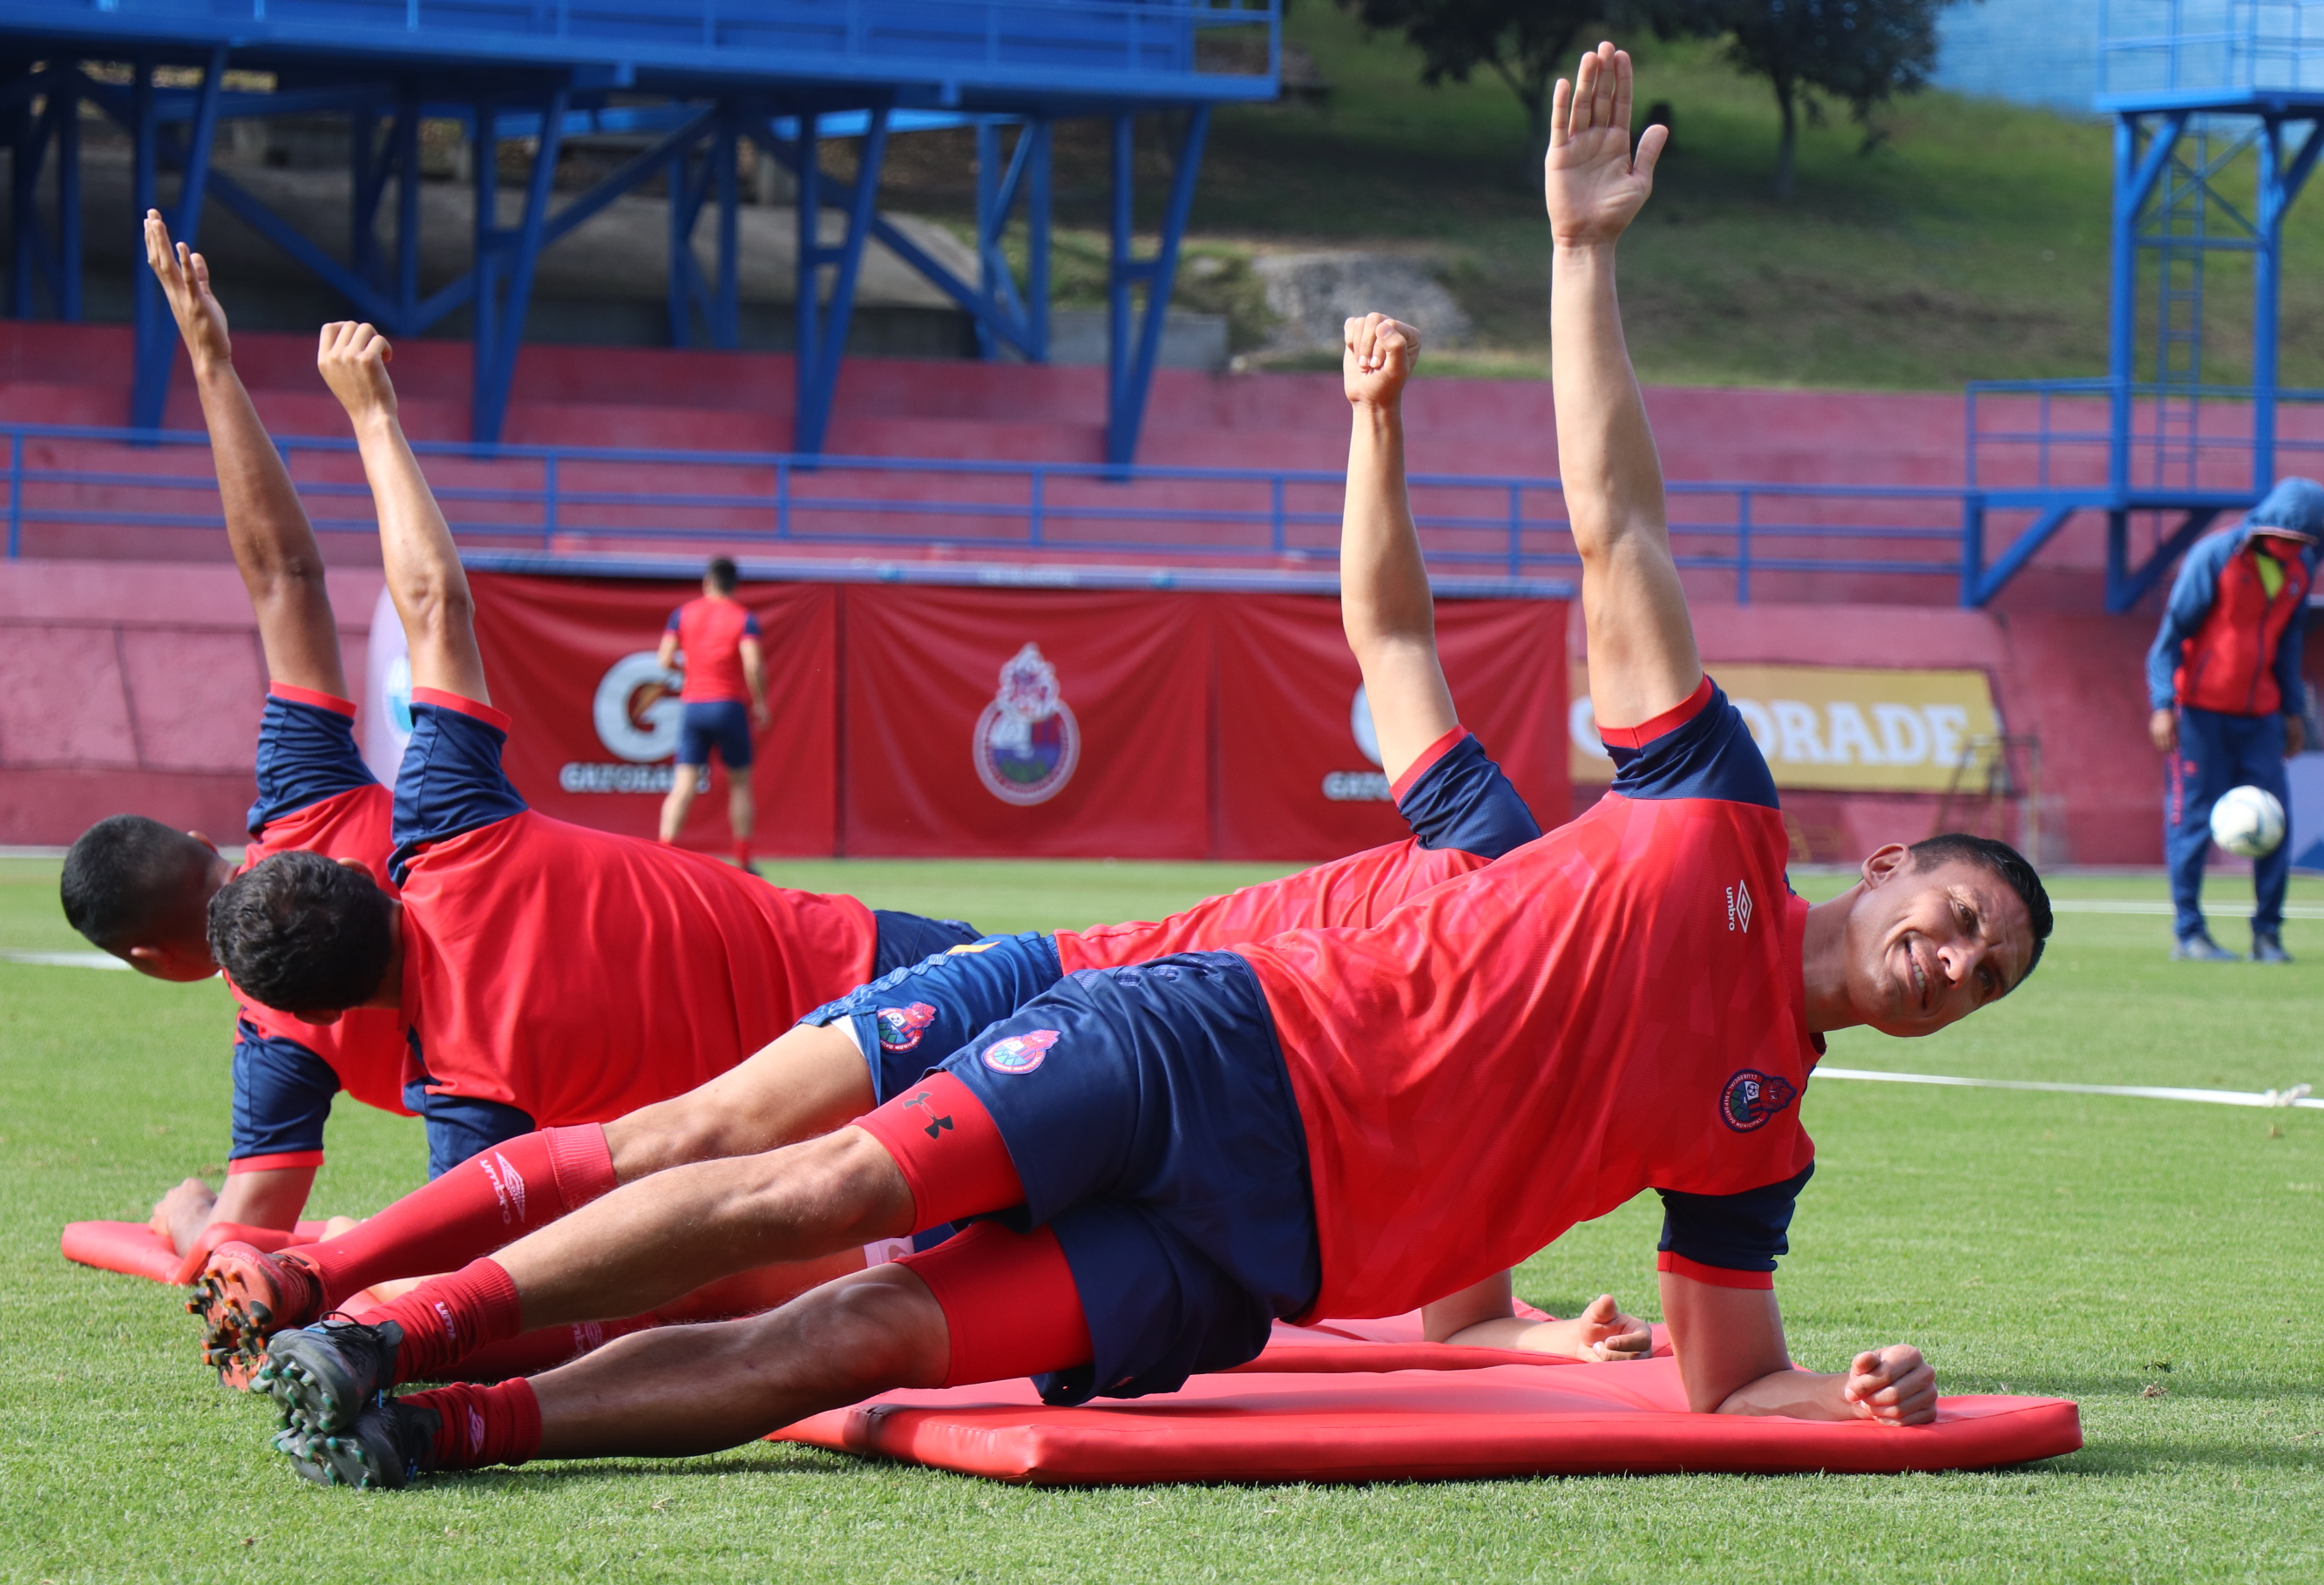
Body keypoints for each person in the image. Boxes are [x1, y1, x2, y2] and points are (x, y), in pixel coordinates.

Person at [248, 48, 2052, 1491]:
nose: (1958, 960)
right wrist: (1577, 264)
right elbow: (1597, 539)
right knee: (792, 1185)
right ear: (1889, 862)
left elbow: (1728, 1374)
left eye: (1988, 974)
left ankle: (439, 1421)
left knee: (850, 1326)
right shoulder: (1692, 807)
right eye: (1964, 913)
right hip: (1194, 1038)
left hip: (1254, 1253)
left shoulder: (1763, 1137)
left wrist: (1847, 1389)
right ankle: (398, 1326)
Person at [203, 311, 1643, 1383]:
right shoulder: (1494, 857)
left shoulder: (1499, 1045)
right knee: (774, 1207)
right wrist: (1376, 416)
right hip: (1032, 1003)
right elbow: (1389, 631)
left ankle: (391, 1340)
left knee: (766, 1214)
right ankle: (388, 1329)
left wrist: (1531, 1340)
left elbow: (1460, 1285)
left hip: (1095, 1073)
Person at [188, 319, 987, 1365]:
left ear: (329, 1013)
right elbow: (428, 598)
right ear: (361, 870)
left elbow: (492, 1283)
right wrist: (373, 414)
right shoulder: (450, 831)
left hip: (870, 1153)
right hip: (913, 968)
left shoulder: (470, 1098)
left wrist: (309, 1258)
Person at [53, 213, 413, 1301]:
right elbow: (285, 582)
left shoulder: (280, 1027)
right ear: (209, 840)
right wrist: (209, 352)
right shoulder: (311, 799)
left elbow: (240, 1245)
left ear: (158, 964)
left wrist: (183, 1211)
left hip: (635, 1159)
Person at [2146, 477, 2324, 964]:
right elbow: (2170, 636)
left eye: (2299, 544)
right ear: (2265, 526)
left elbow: (2289, 645)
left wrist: (2294, 713)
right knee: (2192, 822)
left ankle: (2267, 934)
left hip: (2261, 717)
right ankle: (2190, 934)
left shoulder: (2299, 570)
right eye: (2282, 539)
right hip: (2200, 715)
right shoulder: (2216, 557)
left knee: (2277, 823)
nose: (2288, 550)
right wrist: (2164, 704)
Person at [656, 556, 769, 873]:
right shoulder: (743, 618)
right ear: (734, 585)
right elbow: (752, 664)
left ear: (707, 582)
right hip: (729, 705)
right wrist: (760, 702)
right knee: (740, 783)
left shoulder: (684, 614)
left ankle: (664, 854)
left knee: (683, 784)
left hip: (694, 705)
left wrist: (691, 669)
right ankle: (744, 858)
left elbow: (664, 659)